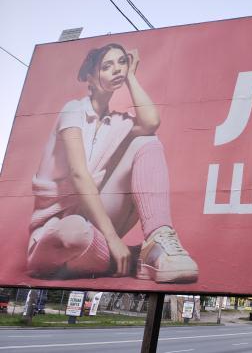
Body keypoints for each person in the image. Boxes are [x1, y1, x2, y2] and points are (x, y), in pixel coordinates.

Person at [27, 43, 198, 283]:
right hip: (58, 225)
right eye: (107, 66)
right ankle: (130, 258)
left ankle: (158, 239)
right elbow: (79, 174)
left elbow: (150, 122)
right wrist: (113, 239)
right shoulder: (73, 110)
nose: (116, 69)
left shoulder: (117, 122)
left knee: (147, 141)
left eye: (121, 63)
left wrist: (131, 78)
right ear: (90, 77)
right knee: (74, 232)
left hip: (94, 218)